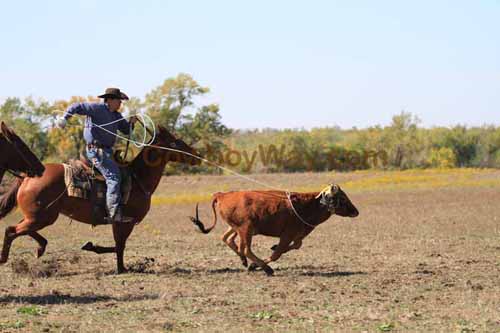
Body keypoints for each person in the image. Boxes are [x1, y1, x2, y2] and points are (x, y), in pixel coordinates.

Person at [57, 88, 138, 223]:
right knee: (113, 177)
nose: (120, 104)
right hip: (95, 151)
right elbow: (77, 106)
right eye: (119, 100)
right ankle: (113, 213)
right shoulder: (96, 108)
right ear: (110, 99)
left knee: (123, 172)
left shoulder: (116, 116)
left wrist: (132, 123)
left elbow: (125, 130)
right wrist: (65, 117)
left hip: (107, 152)